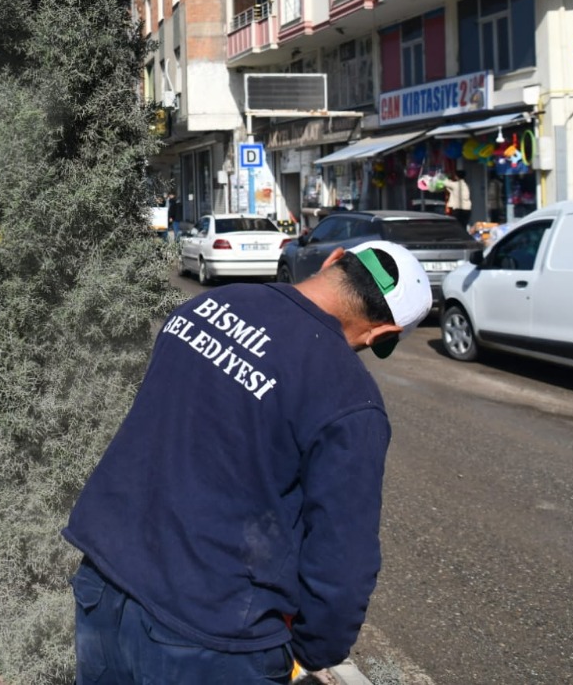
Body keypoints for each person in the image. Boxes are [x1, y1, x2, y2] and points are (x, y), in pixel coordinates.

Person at [63, 239, 432, 683]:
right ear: (381, 335)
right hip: (209, 634)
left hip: (104, 584)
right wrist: (314, 648)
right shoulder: (350, 398)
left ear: (334, 259)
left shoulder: (210, 304)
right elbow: (342, 558)